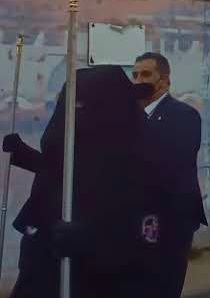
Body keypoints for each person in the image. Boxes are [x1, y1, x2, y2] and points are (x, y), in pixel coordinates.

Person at [3, 66, 150, 298]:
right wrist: (23, 154)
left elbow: (140, 226)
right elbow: (61, 170)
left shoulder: (133, 151)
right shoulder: (71, 137)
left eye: (82, 105)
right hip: (43, 256)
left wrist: (90, 240)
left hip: (92, 278)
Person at [132, 52, 208, 298]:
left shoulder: (183, 115)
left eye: (145, 74)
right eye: (134, 75)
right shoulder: (129, 116)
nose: (138, 80)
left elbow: (174, 163)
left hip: (172, 219)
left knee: (164, 287)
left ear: (164, 80)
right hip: (136, 219)